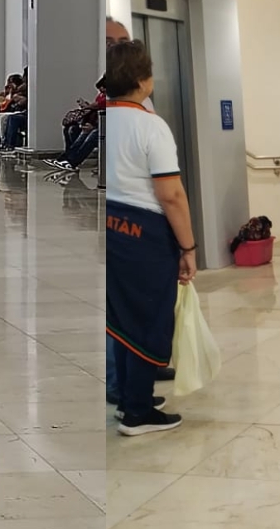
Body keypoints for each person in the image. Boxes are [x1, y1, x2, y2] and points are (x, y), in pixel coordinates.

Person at [104, 39, 194, 436]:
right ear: (143, 80)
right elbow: (171, 194)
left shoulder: (104, 119)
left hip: (109, 226)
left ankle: (128, 397)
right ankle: (138, 411)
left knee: (121, 319)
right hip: (144, 233)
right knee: (147, 318)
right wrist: (188, 248)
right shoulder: (150, 126)